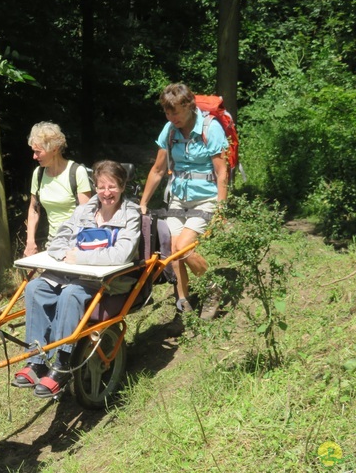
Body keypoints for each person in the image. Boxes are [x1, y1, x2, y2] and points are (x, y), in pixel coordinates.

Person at [13, 160, 141, 398]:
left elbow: (122, 253)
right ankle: (37, 360)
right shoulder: (84, 210)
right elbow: (60, 238)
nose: (106, 193)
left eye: (112, 186)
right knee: (35, 288)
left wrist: (80, 257)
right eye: (101, 187)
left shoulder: (130, 213)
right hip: (71, 273)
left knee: (71, 294)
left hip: (107, 280)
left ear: (122, 186)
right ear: (95, 187)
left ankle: (62, 364)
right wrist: (62, 254)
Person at [139, 83, 228, 327]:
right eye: (167, 113)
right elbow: (158, 170)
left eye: (175, 112)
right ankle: (183, 305)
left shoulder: (211, 129)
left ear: (189, 106)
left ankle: (213, 289)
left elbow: (222, 173)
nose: (171, 118)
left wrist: (221, 209)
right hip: (178, 199)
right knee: (172, 251)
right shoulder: (169, 130)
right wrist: (143, 203)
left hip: (206, 199)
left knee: (182, 247)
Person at [24, 121, 93, 257]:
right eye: (34, 152)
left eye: (38, 152)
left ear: (54, 149)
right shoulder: (38, 174)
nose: (34, 156)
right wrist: (30, 242)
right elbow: (33, 209)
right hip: (53, 242)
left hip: (77, 241)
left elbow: (87, 214)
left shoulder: (77, 172)